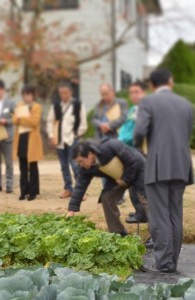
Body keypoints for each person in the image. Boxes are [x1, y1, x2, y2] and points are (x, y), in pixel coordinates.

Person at [134, 69, 193, 273]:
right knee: (175, 214)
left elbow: (139, 131)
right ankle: (171, 262)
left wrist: (138, 146)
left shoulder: (148, 102)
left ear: (151, 85)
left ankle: (164, 264)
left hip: (158, 164)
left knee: (159, 215)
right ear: (170, 81)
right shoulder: (186, 104)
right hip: (182, 164)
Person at [67, 139, 148, 236]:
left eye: (81, 161)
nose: (80, 165)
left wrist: (125, 179)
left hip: (138, 169)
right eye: (78, 163)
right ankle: (118, 232)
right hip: (117, 178)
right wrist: (71, 209)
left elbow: (132, 161)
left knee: (145, 199)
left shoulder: (110, 146)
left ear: (89, 154)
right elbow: (80, 187)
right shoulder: (85, 169)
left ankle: (157, 236)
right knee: (107, 198)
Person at [47, 81, 87, 199]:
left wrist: (77, 135)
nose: (63, 95)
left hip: (72, 140)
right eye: (61, 93)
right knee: (64, 166)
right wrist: (51, 136)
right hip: (59, 141)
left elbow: (83, 123)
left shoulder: (78, 105)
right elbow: (50, 121)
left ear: (70, 92)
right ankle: (68, 188)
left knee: (75, 165)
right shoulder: (56, 106)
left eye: (65, 93)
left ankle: (80, 191)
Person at [119, 81, 148, 224]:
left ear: (144, 92)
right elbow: (125, 129)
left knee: (142, 188)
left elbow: (139, 132)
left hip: (142, 151)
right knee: (133, 185)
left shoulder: (146, 108)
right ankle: (140, 212)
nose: (133, 95)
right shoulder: (133, 110)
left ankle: (147, 215)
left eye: (137, 91)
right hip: (129, 151)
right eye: (131, 92)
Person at [12, 85, 43, 201]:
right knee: (22, 167)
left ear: (33, 95)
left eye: (29, 95)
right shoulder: (19, 105)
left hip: (32, 140)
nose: (27, 97)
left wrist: (22, 119)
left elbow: (34, 122)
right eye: (25, 95)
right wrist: (24, 119)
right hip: (21, 139)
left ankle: (33, 192)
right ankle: (23, 191)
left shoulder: (37, 107)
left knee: (33, 167)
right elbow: (14, 120)